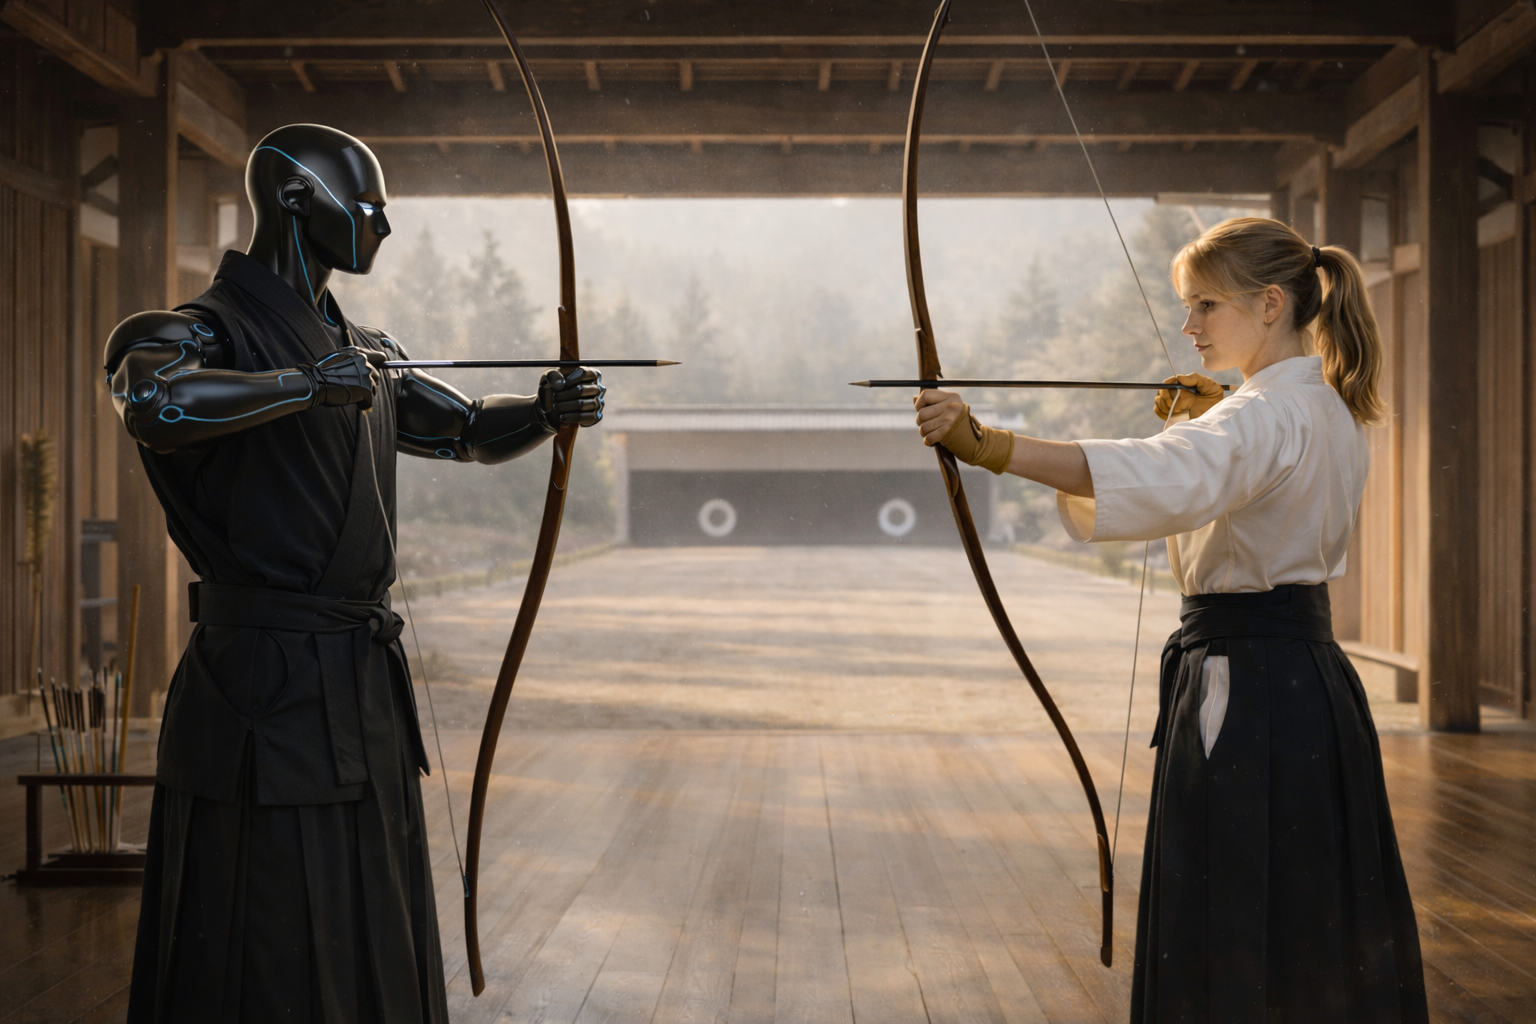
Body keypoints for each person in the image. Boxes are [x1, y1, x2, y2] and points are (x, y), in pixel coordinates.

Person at [110, 124, 605, 1022]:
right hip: (258, 691)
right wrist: (303, 385)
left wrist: (542, 408)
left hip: (360, 688)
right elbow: (155, 403)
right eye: (367, 205)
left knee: (369, 906)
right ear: (296, 199)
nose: (382, 224)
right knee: (259, 923)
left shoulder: (365, 349)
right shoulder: (190, 331)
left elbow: (462, 428)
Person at [914, 217, 1427, 1022]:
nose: (1189, 325)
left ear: (1269, 304)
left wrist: (990, 445)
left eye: (1206, 305)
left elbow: (1165, 472)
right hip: (1312, 683)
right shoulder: (1321, 407)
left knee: (1228, 898)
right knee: (1307, 899)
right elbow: (1208, 472)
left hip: (1244, 682)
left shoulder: (1259, 417)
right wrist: (1205, 417)